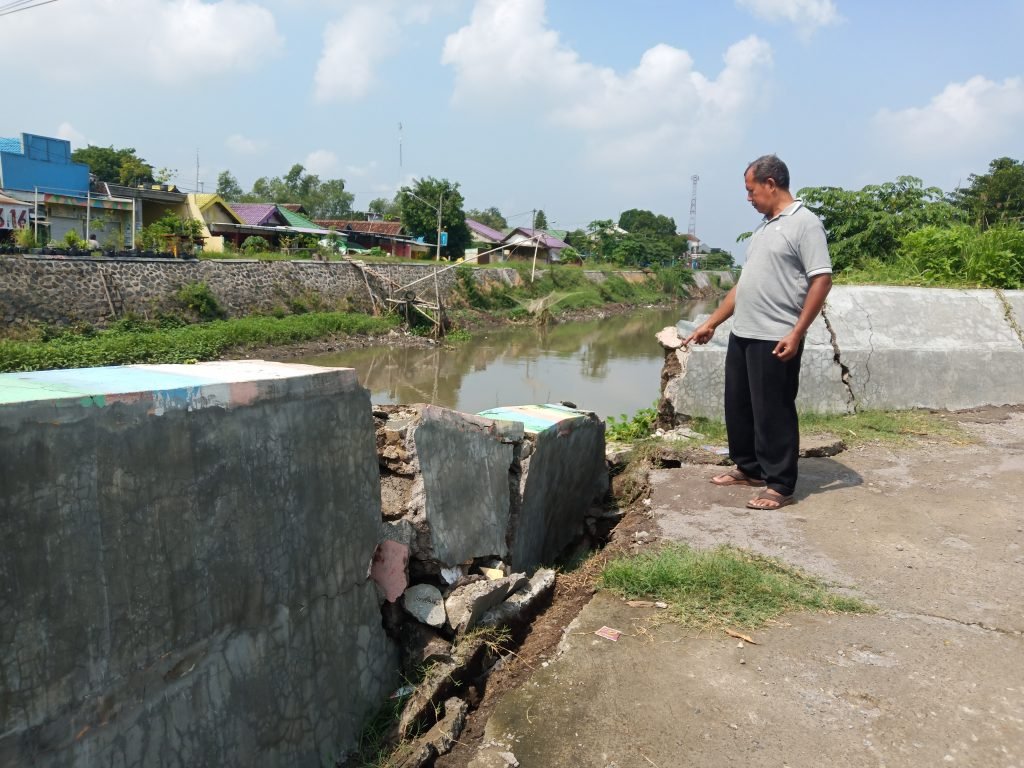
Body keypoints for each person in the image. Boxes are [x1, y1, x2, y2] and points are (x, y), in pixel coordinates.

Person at [683, 155, 832, 510]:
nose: (748, 198)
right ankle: (749, 468)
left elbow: (822, 279)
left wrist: (797, 332)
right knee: (740, 406)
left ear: (770, 183)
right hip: (744, 332)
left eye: (751, 190)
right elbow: (743, 284)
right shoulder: (763, 229)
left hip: (776, 334)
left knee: (773, 410)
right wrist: (711, 323)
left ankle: (779, 484)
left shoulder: (805, 224)